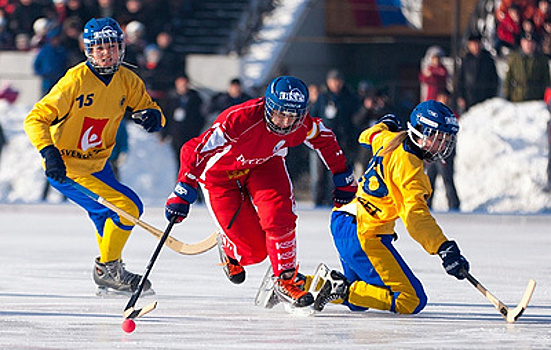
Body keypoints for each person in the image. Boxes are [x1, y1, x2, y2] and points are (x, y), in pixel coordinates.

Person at [164, 76, 357, 308]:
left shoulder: (301, 123)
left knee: (279, 216)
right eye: (280, 113)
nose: (285, 122)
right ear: (268, 106)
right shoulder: (239, 119)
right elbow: (194, 149)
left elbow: (325, 139)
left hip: (264, 165)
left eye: (292, 115)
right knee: (254, 253)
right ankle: (229, 246)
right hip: (221, 177)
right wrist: (183, 188)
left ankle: (286, 280)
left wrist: (342, 176)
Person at [24, 17, 165, 294]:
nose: (106, 53)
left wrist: (153, 118)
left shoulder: (128, 80)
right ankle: (108, 269)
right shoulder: (75, 80)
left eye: (111, 46)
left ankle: (110, 273)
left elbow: (151, 109)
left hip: (98, 166)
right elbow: (35, 118)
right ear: (89, 50)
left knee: (106, 219)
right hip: (68, 169)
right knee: (129, 207)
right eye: (99, 48)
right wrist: (48, 151)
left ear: (121, 48)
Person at [312, 100, 470, 315]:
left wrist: (385, 124)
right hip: (363, 233)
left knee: (361, 298)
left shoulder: (389, 139)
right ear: (420, 131)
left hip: (343, 221)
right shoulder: (411, 169)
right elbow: (415, 217)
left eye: (446, 139)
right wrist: (442, 247)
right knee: (411, 299)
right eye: (437, 137)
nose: (442, 145)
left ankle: (296, 285)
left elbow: (367, 136)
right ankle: (338, 288)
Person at [309, 69, 359, 206]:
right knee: (319, 174)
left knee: (338, 172)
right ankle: (318, 200)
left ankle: (337, 199)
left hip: (343, 141)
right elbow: (313, 115)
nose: (335, 84)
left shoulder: (350, 98)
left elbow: (354, 120)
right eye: (333, 81)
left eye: (338, 81)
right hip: (322, 140)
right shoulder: (323, 97)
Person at [161, 74, 204, 178]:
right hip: (176, 134)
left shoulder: (195, 98)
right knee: (178, 159)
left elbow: (200, 116)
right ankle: (180, 180)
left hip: (190, 133)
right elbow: (166, 115)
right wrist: (164, 134)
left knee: (190, 160)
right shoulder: (171, 98)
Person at [425, 90, 460, 211]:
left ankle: (454, 205)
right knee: (429, 180)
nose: (444, 100)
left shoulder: (450, 114)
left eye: (446, 97)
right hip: (431, 152)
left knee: (447, 179)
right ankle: (426, 204)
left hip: (445, 153)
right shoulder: (432, 113)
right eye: (442, 97)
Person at [503, 32, 551, 102]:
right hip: (517, 98)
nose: (529, 45)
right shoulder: (514, 58)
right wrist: (507, 96)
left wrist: (546, 97)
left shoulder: (542, 60)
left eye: (531, 43)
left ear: (535, 45)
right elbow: (507, 79)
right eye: (526, 42)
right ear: (522, 43)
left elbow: (546, 81)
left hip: (536, 98)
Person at [457, 33, 499, 112]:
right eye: (472, 44)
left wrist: (492, 97)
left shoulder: (488, 60)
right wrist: (461, 96)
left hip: (484, 98)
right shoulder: (466, 60)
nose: (475, 46)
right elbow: (461, 79)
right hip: (469, 97)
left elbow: (494, 79)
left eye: (477, 43)